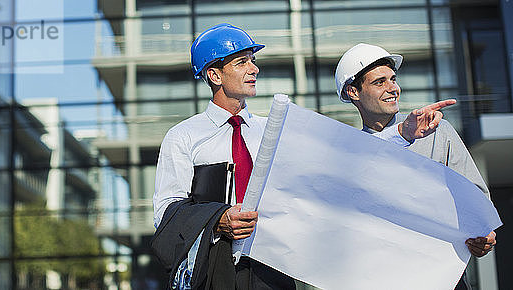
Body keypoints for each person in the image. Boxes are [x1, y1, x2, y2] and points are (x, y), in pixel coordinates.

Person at [151, 25, 452, 289]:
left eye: (253, 62)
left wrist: (402, 132)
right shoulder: (184, 137)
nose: (254, 69)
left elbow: (342, 163)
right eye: (242, 62)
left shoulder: (273, 130)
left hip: (273, 269)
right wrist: (219, 220)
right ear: (214, 74)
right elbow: (166, 212)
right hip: (216, 271)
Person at [335, 43, 497, 290]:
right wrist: (401, 135)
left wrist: (482, 233)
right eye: (379, 82)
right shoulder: (347, 156)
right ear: (353, 92)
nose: (393, 88)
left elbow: (475, 197)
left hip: (445, 279)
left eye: (393, 79)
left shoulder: (437, 131)